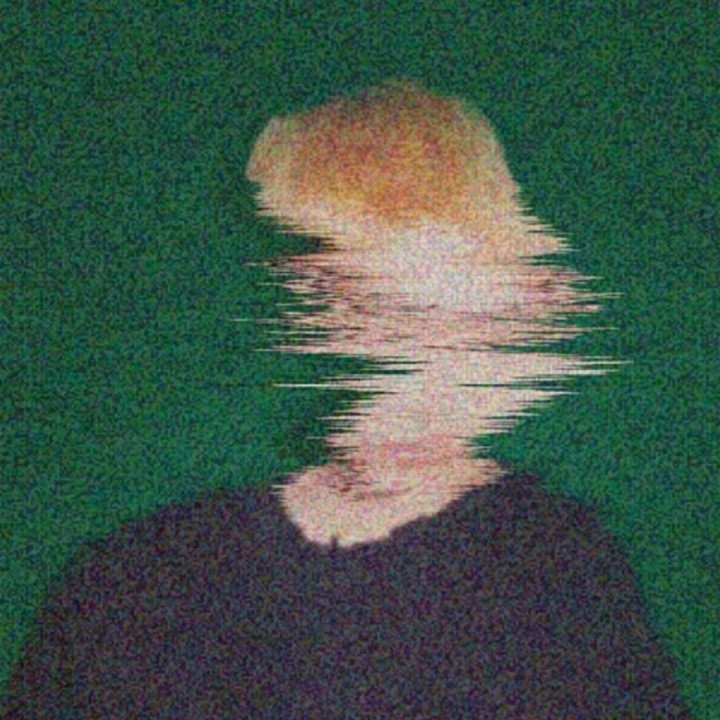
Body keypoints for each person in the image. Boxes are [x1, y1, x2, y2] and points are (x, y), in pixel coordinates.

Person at [4, 81, 691, 718]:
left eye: (425, 308)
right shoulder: (142, 573)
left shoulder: (558, 575)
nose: (386, 353)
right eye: (341, 297)